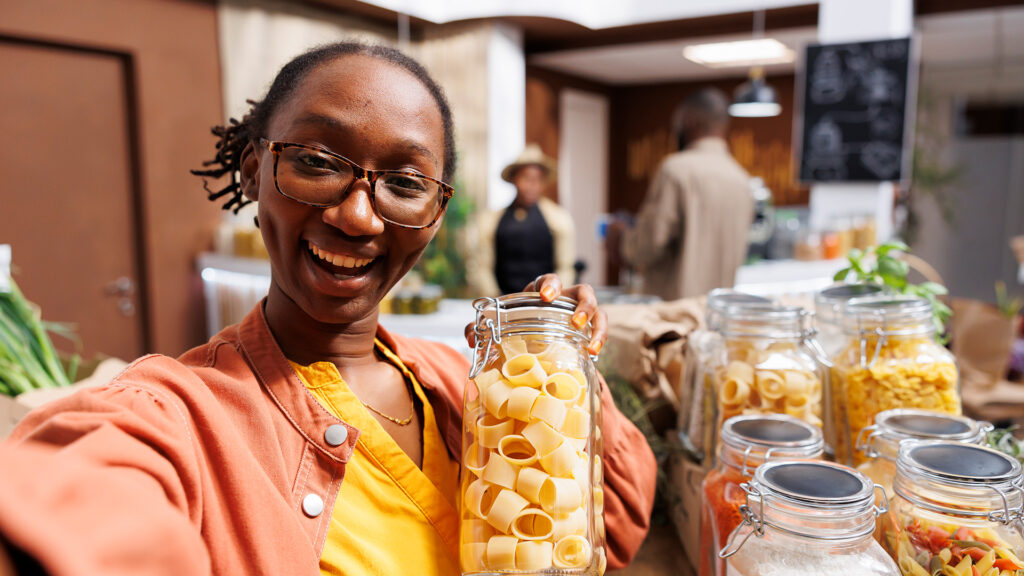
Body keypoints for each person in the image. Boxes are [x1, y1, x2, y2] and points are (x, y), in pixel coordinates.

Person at [0, 42, 656, 575]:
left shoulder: (468, 385)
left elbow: (616, 525)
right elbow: (72, 499)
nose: (356, 214)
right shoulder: (181, 413)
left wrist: (562, 370)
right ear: (256, 171)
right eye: (317, 162)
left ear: (433, 216)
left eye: (405, 183)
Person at [612, 88, 753, 301]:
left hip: (674, 315)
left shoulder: (675, 170)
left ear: (690, 121)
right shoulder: (741, 179)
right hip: (717, 315)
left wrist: (620, 236)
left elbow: (647, 245)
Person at [469, 144, 576, 296]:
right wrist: (495, 299)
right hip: (504, 302)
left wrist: (554, 295)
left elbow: (565, 266)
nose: (531, 185)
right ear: (514, 179)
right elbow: (482, 267)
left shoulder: (559, 219)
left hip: (544, 301)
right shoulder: (491, 221)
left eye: (536, 179)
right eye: (526, 178)